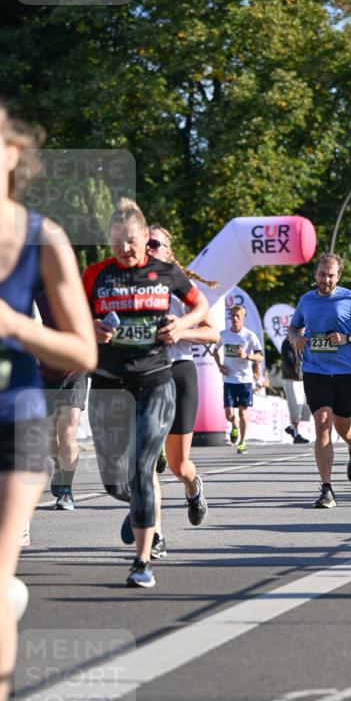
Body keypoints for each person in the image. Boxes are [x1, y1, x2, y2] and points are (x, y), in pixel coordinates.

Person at [0, 100, 97, 701]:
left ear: (11, 155)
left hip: (13, 415)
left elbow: (82, 348)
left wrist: (13, 326)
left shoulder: (41, 237)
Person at [83, 199, 209, 589]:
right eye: (118, 241)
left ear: (144, 238)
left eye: (133, 241)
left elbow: (200, 304)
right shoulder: (94, 275)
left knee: (143, 468)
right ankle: (141, 504)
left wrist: (181, 325)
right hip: (107, 382)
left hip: (156, 380)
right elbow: (66, 315)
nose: (126, 249)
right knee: (115, 482)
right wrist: (92, 326)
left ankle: (142, 559)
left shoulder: (167, 273)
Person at [121, 224, 218, 557]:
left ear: (167, 250)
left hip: (179, 373)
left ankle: (193, 486)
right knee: (144, 462)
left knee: (178, 464)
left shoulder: (178, 286)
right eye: (142, 243)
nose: (146, 249)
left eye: (154, 244)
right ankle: (155, 533)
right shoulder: (127, 285)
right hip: (145, 374)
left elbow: (212, 334)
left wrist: (180, 331)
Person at [288, 252, 351, 509]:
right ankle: (326, 488)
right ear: (315, 274)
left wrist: (348, 338)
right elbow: (294, 328)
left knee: (342, 427)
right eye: (321, 274)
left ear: (339, 276)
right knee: (322, 424)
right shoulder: (306, 300)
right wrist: (297, 339)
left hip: (346, 372)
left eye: (331, 275)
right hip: (315, 370)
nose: (326, 279)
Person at [35, 290, 88, 510]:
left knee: (67, 432)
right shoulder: (33, 294)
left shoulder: (80, 292)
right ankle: (59, 466)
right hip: (45, 372)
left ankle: (66, 491)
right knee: (49, 437)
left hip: (74, 371)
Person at [213, 304, 263, 455]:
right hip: (229, 379)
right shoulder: (224, 334)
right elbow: (215, 350)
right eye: (232, 316)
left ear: (243, 318)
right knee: (229, 414)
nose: (234, 319)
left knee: (243, 413)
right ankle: (234, 425)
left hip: (245, 380)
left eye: (238, 316)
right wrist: (219, 366)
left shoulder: (249, 335)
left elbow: (259, 356)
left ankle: (242, 442)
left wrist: (247, 356)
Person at [280, 335, 310, 443]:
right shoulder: (288, 342)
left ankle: (293, 429)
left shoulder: (304, 341)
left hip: (301, 378)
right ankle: (295, 432)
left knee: (304, 406)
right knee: (295, 405)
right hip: (292, 378)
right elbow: (289, 361)